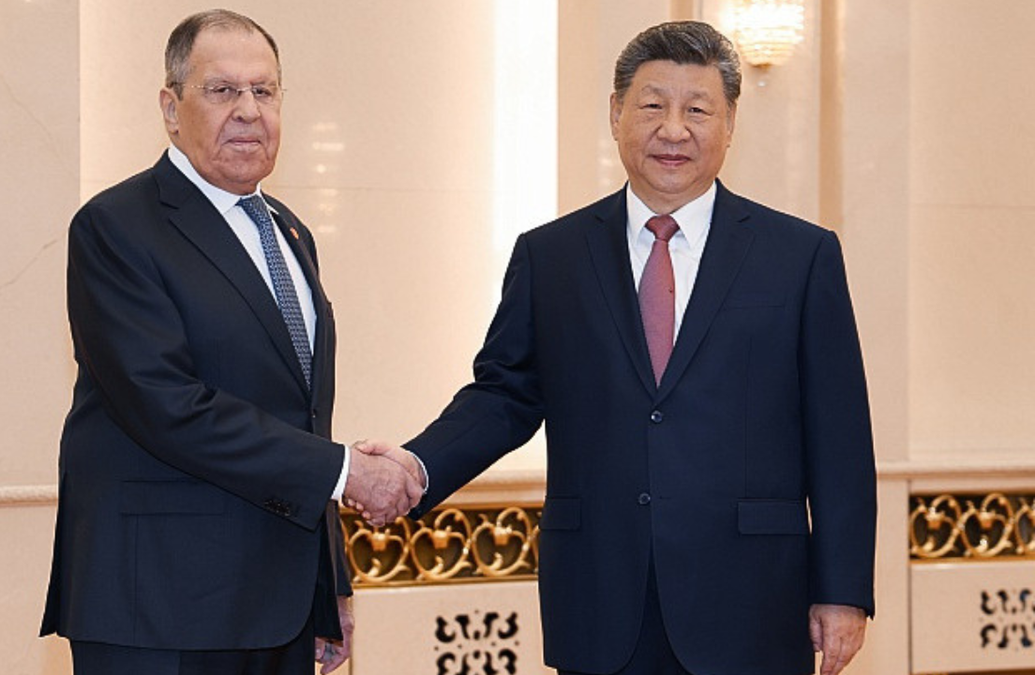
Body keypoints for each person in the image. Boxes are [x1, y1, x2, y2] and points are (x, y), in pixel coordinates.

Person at [354, 20, 876, 675]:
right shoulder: (552, 256)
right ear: (616, 114)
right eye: (653, 105)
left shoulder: (800, 256)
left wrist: (843, 587)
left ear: (731, 121)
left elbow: (841, 437)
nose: (674, 129)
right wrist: (416, 465)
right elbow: (504, 395)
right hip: (601, 598)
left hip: (752, 601)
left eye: (697, 109)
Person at [39, 10, 421, 675]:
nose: (249, 110)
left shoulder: (291, 233)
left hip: (277, 607)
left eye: (265, 91)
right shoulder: (116, 227)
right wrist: (346, 471)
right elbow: (168, 404)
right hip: (157, 608)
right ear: (170, 106)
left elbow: (300, 414)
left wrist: (328, 586)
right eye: (222, 91)